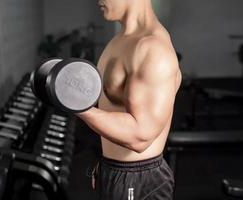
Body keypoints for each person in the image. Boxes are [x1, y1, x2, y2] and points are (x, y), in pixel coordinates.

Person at [76, 0, 182, 199]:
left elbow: (140, 136)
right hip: (114, 170)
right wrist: (107, 159)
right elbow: (111, 110)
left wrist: (77, 107)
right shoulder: (119, 40)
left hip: (139, 178)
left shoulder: (152, 48)